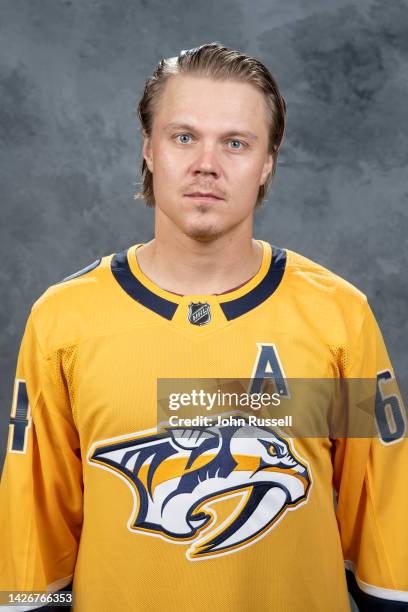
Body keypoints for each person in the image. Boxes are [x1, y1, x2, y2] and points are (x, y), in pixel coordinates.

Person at [0, 42, 407, 612]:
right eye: (183, 136)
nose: (205, 165)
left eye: (236, 143)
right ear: (149, 148)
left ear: (268, 161)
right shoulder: (64, 321)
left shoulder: (339, 316)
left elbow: (387, 539)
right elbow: (30, 551)